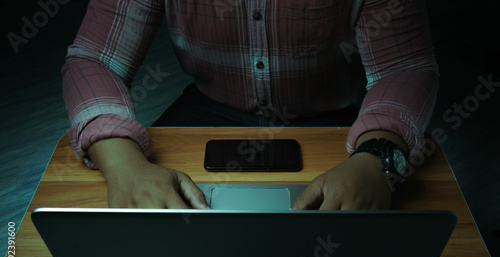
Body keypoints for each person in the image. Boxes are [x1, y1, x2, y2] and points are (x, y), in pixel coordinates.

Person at [62, 0, 439, 210]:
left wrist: (376, 156)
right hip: (206, 109)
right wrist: (121, 162)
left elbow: (405, 68)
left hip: (335, 121)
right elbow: (94, 58)